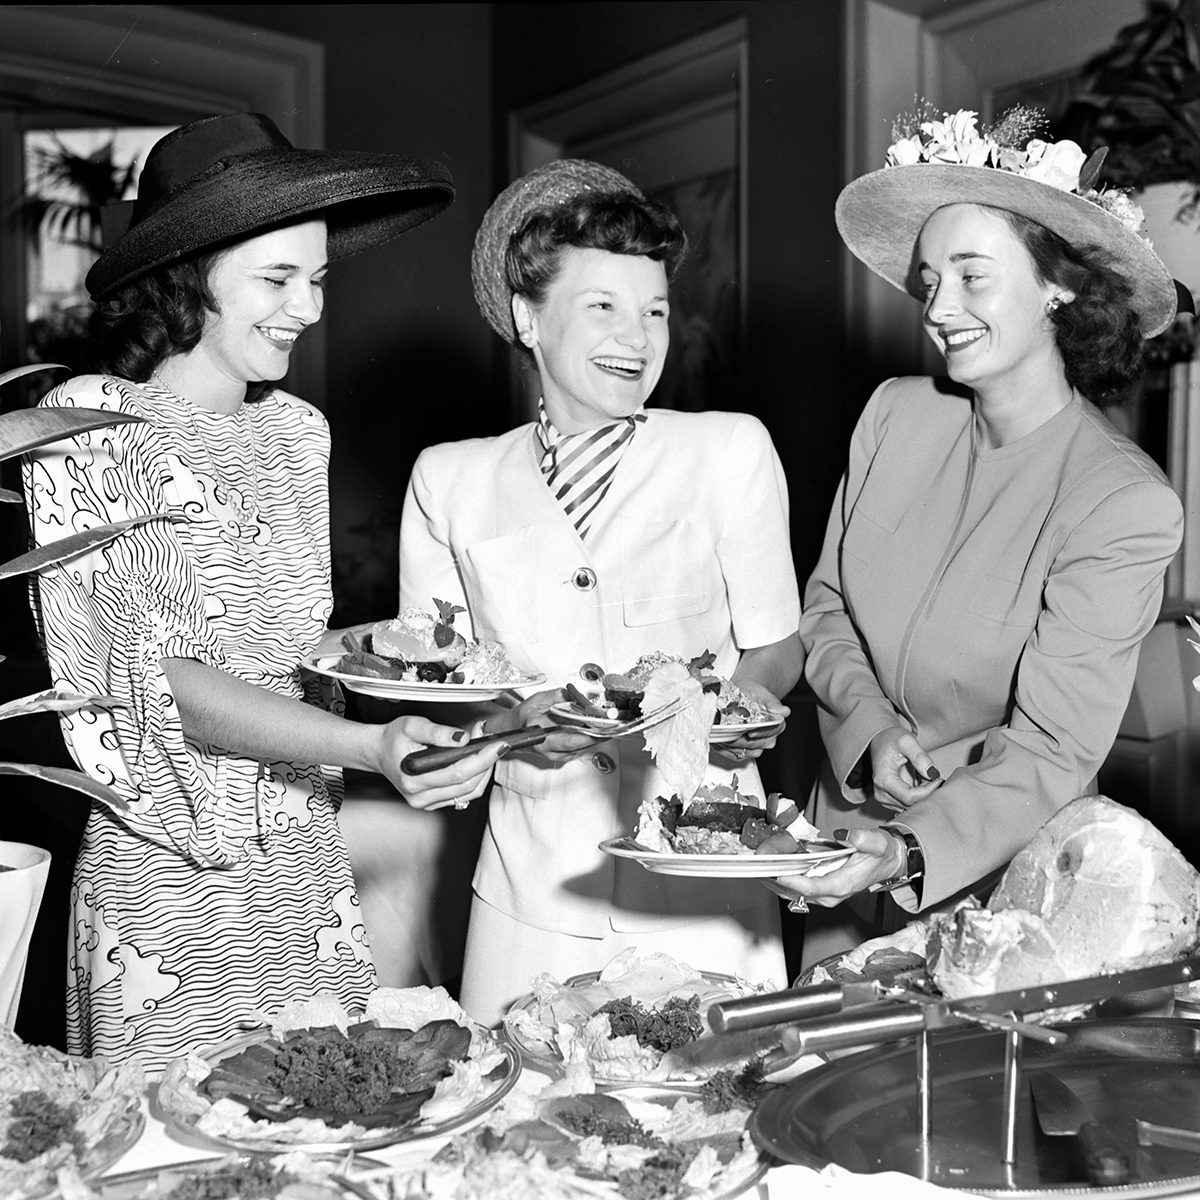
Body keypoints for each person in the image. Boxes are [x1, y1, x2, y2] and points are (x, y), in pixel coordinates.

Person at [22, 113, 505, 1069]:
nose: (310, 308)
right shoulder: (89, 425)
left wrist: (429, 691)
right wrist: (372, 745)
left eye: (318, 279)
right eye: (278, 279)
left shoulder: (298, 433)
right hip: (169, 884)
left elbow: (293, 655)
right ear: (189, 271)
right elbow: (172, 687)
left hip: (304, 868)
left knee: (323, 1138)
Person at [769, 107, 1185, 969]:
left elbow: (1054, 748)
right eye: (928, 281)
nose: (938, 308)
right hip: (843, 835)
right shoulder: (893, 415)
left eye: (971, 276)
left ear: (1057, 290)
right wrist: (871, 725)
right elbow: (828, 605)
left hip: (996, 884)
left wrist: (908, 849)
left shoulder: (1122, 502)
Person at [397, 159, 803, 1025]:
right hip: (533, 888)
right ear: (527, 319)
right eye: (604, 307)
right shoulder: (450, 479)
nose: (639, 336)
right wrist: (514, 720)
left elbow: (777, 640)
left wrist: (736, 707)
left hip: (703, 871)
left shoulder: (730, 451)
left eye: (655, 309)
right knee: (521, 1134)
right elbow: (436, 684)